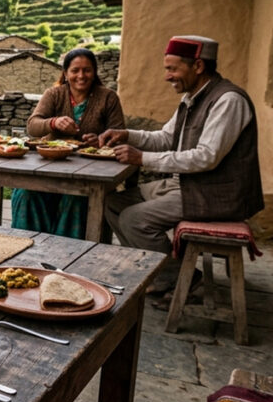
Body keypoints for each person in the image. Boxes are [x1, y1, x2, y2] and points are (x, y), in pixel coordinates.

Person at [100, 35, 263, 295]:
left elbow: (205, 157)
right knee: (111, 203)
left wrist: (141, 158)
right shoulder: (192, 98)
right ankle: (161, 269)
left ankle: (178, 277)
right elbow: (165, 138)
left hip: (216, 194)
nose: (167, 76)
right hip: (186, 185)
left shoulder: (228, 101)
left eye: (172, 68)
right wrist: (127, 134)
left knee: (134, 219)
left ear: (198, 66)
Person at [11, 48, 125, 238]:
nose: (81, 75)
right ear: (65, 73)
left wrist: (100, 140)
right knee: (25, 193)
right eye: (75, 70)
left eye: (87, 70)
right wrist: (53, 122)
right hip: (50, 169)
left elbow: (118, 135)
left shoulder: (108, 98)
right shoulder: (54, 94)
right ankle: (27, 246)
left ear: (94, 72)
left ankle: (69, 254)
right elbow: (32, 126)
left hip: (89, 174)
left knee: (77, 199)